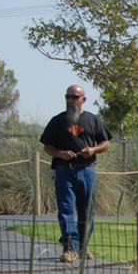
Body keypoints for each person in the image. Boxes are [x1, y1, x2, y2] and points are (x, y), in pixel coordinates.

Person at [40, 84, 112, 263]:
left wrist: (93, 150)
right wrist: (60, 154)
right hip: (64, 171)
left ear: (83, 99)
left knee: (86, 211)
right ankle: (69, 249)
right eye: (67, 97)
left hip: (87, 171)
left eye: (74, 97)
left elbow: (106, 143)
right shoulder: (57, 121)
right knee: (66, 210)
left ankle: (83, 247)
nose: (70, 100)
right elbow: (47, 146)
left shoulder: (93, 119)